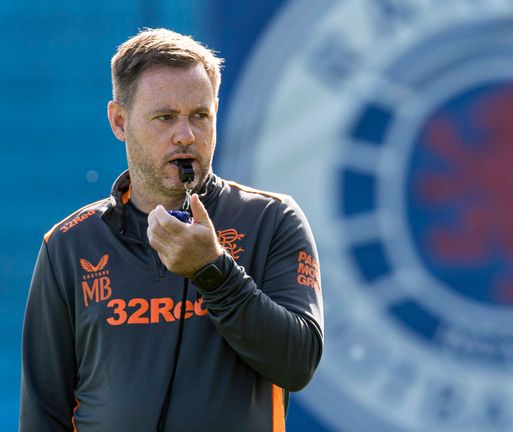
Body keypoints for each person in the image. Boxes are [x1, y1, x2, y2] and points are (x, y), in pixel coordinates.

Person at [19, 28, 323, 432]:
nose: (186, 135)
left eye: (200, 115)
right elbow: (44, 410)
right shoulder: (69, 244)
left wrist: (213, 270)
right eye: (165, 117)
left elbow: (298, 364)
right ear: (119, 121)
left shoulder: (271, 219)